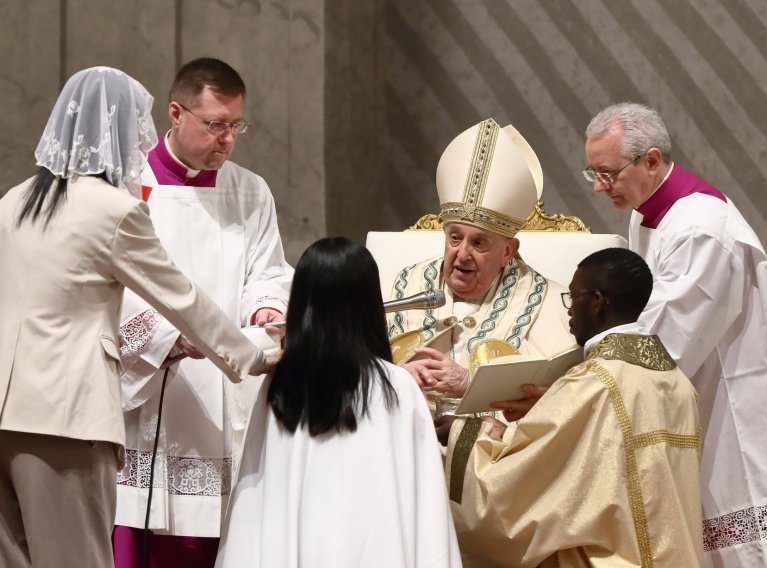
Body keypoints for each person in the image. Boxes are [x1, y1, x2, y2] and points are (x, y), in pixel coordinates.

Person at [0, 67, 274, 568]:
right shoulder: (114, 207)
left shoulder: (13, 201)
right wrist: (254, 355)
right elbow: (182, 298)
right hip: (67, 416)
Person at [584, 102, 767, 566]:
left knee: (745, 529)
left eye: (608, 174)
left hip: (732, 399)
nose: (600, 187)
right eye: (593, 173)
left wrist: (574, 383)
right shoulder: (647, 212)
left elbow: (660, 343)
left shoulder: (702, 227)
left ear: (652, 160)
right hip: (694, 390)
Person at [112, 58, 294, 567]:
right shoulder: (127, 186)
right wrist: (164, 339)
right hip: (153, 385)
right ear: (176, 113)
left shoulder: (249, 190)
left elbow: (269, 270)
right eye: (215, 124)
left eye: (236, 126)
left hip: (223, 394)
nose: (228, 140)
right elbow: (107, 284)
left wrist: (265, 309)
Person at [445, 248, 703, 567]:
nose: (569, 310)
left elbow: (510, 492)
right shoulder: (678, 383)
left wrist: (467, 432)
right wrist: (551, 403)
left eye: (574, 296)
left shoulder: (592, 384)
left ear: (596, 301)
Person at [214, 237, 461, 567]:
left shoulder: (283, 383)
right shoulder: (395, 385)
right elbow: (424, 505)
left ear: (301, 302)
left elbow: (257, 501)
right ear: (370, 302)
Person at [387, 118, 575, 419]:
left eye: (479, 243)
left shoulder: (551, 304)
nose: (462, 255)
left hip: (490, 450)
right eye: (455, 238)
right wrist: (395, 379)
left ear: (508, 252)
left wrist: (468, 383)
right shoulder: (401, 287)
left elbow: (561, 401)